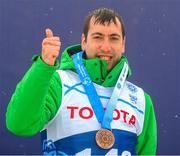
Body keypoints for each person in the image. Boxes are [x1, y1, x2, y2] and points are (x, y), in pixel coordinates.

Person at [6, 8, 157, 155]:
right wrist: (44, 66)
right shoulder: (59, 83)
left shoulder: (141, 100)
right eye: (97, 37)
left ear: (123, 44)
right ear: (84, 42)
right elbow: (19, 125)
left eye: (114, 38)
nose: (106, 47)